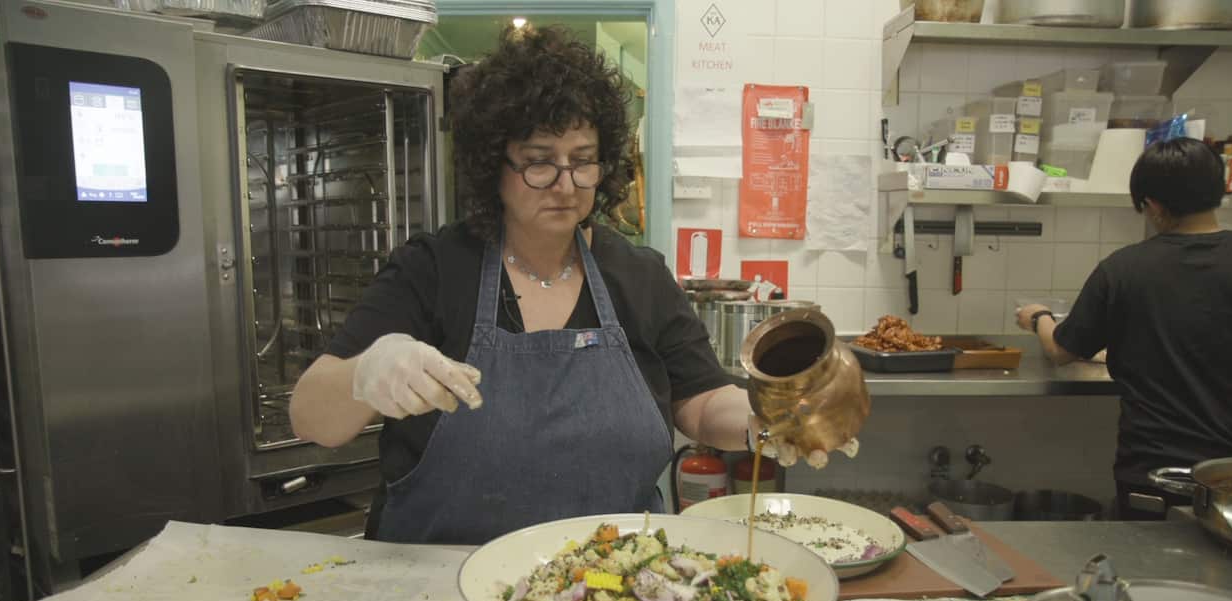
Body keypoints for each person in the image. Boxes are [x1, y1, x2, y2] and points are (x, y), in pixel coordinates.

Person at [289, 26, 867, 544]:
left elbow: (701, 403)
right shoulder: (435, 270)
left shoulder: (637, 275)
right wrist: (367, 373)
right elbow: (314, 419)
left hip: (610, 593)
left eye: (583, 161)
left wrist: (767, 418)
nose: (565, 184)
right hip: (434, 593)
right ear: (495, 165)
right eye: (539, 162)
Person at [1016, 137, 1232, 520]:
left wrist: (1038, 317)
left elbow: (1061, 351)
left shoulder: (1123, 269)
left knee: (1149, 576)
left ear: (1152, 205)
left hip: (1154, 480)